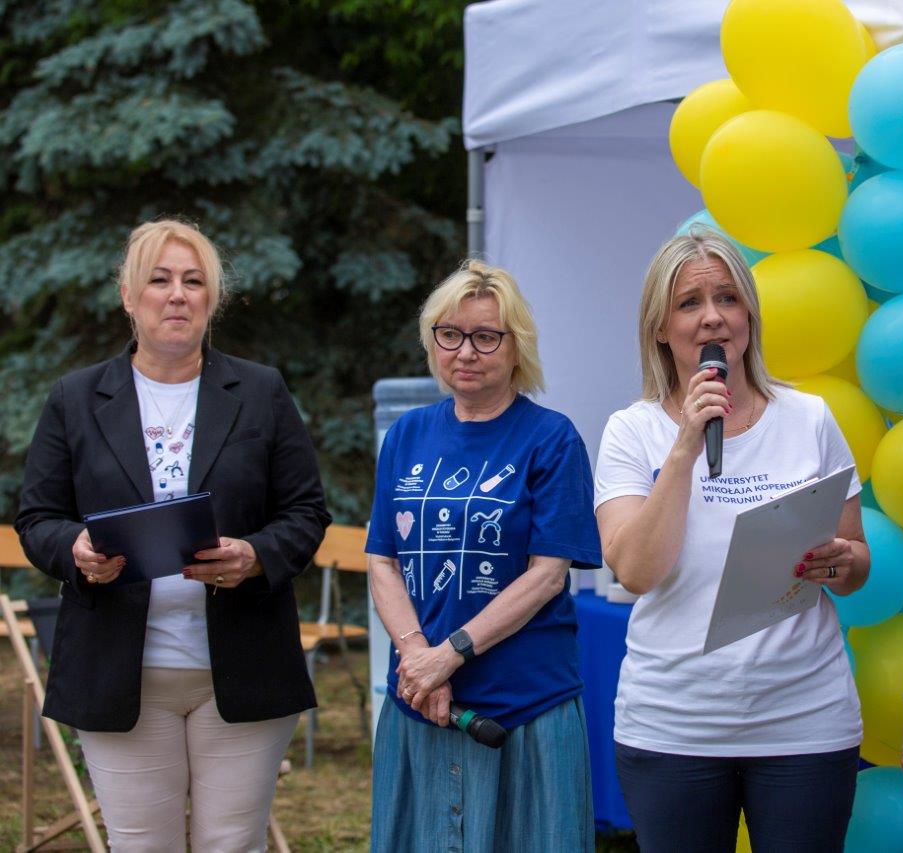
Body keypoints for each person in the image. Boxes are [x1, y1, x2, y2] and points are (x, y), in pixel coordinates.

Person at [16, 219, 330, 851]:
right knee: (140, 845)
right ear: (129, 296)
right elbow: (37, 518)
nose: (178, 295)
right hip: (118, 667)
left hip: (242, 661)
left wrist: (254, 555)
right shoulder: (76, 398)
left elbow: (305, 512)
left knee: (231, 843)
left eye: (194, 281)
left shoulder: (260, 390)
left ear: (212, 298)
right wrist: (76, 550)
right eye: (159, 280)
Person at [594, 231, 871, 853]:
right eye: (689, 303)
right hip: (674, 724)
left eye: (727, 297)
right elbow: (635, 570)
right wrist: (685, 446)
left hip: (804, 720)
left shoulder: (809, 418)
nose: (713, 316)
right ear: (660, 328)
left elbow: (857, 562)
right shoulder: (631, 431)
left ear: (749, 314)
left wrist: (842, 562)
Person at [366, 260, 601, 852]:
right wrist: (418, 660)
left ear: (516, 347)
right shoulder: (407, 435)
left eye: (486, 336)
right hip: (422, 700)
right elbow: (383, 561)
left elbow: (547, 577)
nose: (465, 351)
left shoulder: (551, 438)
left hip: (524, 702)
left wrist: (449, 655)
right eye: (450, 334)